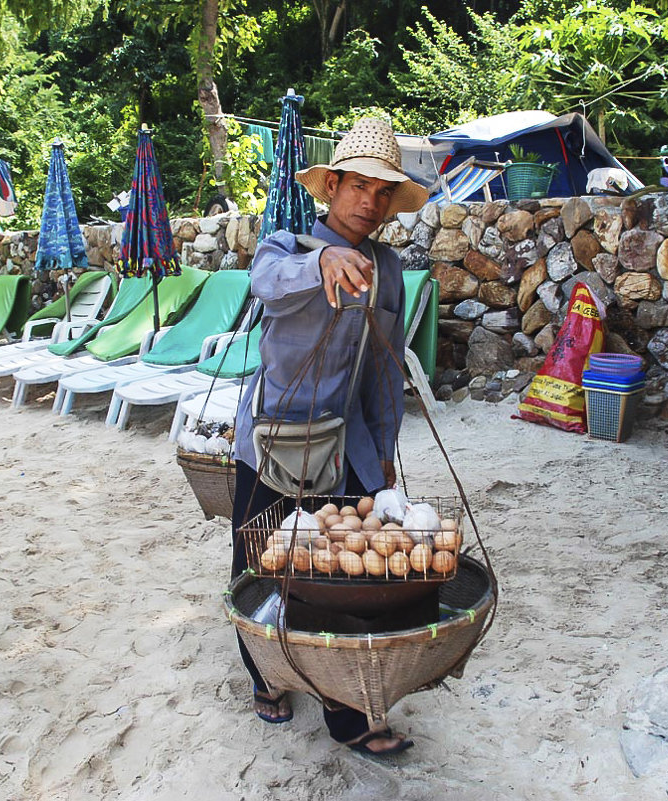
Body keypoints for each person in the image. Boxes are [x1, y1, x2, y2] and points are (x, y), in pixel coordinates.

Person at [229, 117, 429, 756]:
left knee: (339, 580)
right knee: (260, 566)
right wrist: (322, 261)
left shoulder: (389, 270)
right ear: (333, 186)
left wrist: (386, 459)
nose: (370, 203)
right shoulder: (284, 248)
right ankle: (267, 676)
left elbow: (381, 372)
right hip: (270, 443)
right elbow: (263, 284)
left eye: (383, 194)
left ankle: (348, 714)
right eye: (359, 188)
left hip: (346, 446)